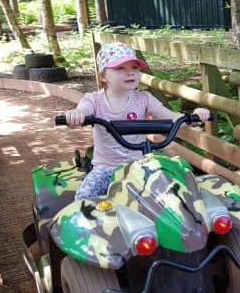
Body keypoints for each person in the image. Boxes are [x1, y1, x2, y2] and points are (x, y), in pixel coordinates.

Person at [65, 42, 211, 200]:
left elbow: (171, 117)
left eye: (134, 68)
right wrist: (77, 114)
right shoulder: (94, 100)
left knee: (173, 194)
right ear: (103, 76)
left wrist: (192, 117)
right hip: (107, 168)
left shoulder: (144, 99)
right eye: (120, 68)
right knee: (84, 198)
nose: (130, 73)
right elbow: (83, 110)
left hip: (140, 165)